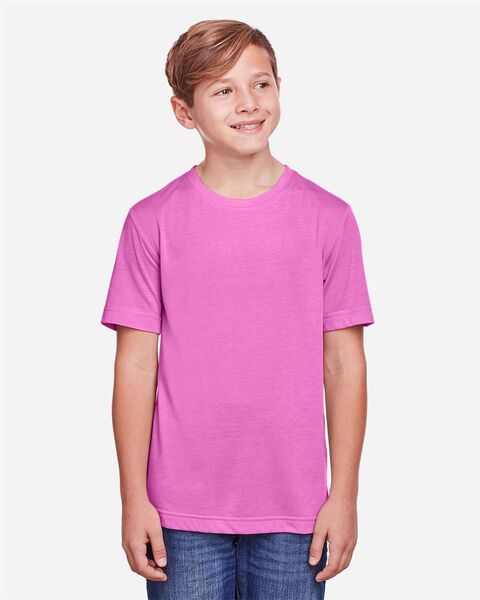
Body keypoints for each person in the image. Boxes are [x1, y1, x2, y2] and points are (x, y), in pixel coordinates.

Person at [100, 19, 375, 600]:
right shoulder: (151, 221)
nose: (248, 103)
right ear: (184, 112)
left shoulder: (330, 218)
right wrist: (133, 499)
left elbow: (344, 363)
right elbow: (135, 366)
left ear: (279, 88)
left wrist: (345, 495)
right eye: (223, 89)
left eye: (261, 83)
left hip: (297, 510)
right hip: (179, 511)